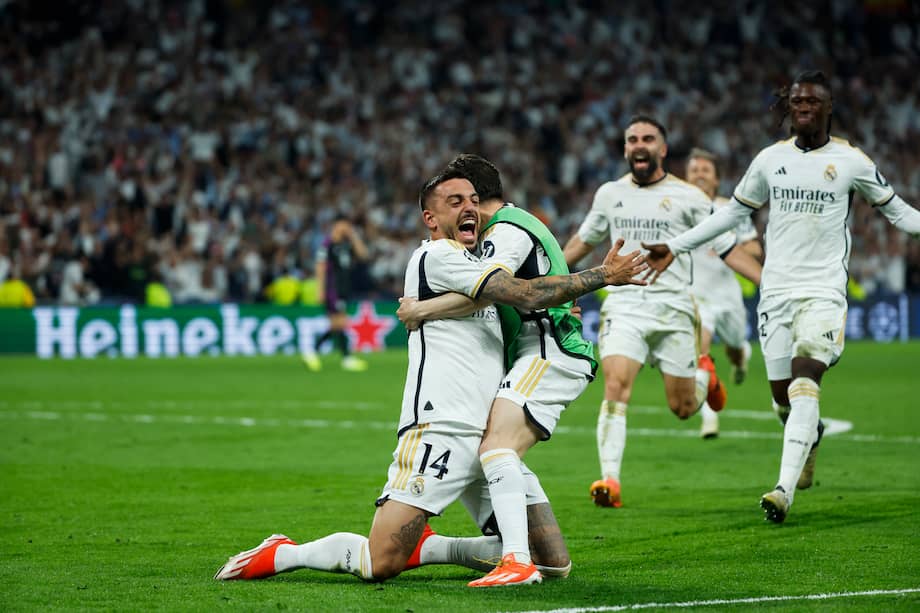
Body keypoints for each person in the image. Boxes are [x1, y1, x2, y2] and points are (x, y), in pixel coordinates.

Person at [215, 169, 648, 585]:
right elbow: (523, 292)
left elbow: (521, 298)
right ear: (431, 217)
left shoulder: (481, 263)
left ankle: (428, 547)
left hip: (485, 438)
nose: (470, 209)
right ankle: (284, 553)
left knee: (552, 563)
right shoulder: (437, 256)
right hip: (439, 430)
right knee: (379, 562)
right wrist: (601, 277)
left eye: (475, 201)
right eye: (455, 201)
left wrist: (556, 306)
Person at [642, 71, 920, 523]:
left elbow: (899, 213)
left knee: (806, 374)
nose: (804, 107)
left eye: (813, 101)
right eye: (797, 101)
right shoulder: (770, 160)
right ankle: (810, 436)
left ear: (829, 108)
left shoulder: (851, 161)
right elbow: (732, 213)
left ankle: (782, 490)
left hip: (823, 291)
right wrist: (675, 246)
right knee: (781, 398)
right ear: (787, 108)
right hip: (776, 292)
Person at [397, 154, 599, 587]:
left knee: (495, 448)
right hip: (539, 350)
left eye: (466, 198)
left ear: (477, 197)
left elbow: (506, 291)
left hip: (546, 351)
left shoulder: (503, 231)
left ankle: (515, 560)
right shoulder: (513, 225)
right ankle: (495, 554)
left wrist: (421, 309)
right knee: (556, 564)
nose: (464, 209)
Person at [562, 115, 762, 509]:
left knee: (683, 407)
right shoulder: (609, 194)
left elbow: (728, 248)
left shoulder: (690, 197)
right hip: (624, 305)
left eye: (648, 138)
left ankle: (704, 377)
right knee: (616, 385)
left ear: (662, 149)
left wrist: (767, 281)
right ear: (625, 149)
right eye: (632, 139)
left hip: (674, 309)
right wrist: (547, 274)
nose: (639, 144)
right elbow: (582, 241)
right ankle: (609, 480)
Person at [685, 148, 763, 439]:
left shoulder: (731, 211)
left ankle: (742, 356)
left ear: (716, 179)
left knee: (735, 348)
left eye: (706, 170)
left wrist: (728, 249)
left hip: (727, 298)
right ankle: (709, 416)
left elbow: (754, 249)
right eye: (694, 170)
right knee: (700, 351)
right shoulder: (678, 208)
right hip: (695, 297)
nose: (700, 175)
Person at [302, 215, 370, 372]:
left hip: (344, 289)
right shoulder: (327, 245)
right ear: (336, 225)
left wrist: (353, 236)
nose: (346, 227)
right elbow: (320, 267)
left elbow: (363, 255)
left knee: (338, 324)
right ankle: (332, 356)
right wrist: (320, 290)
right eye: (344, 224)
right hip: (332, 290)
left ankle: (339, 357)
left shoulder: (346, 244)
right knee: (340, 323)